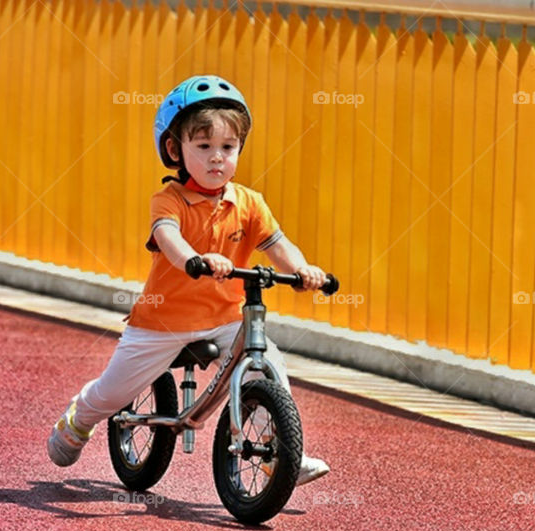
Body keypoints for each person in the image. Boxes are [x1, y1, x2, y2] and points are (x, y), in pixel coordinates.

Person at [46, 74, 330, 485]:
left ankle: (282, 455)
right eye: (204, 147)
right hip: (162, 322)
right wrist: (195, 258)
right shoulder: (169, 200)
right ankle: (78, 419)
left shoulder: (250, 203)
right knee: (112, 393)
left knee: (268, 370)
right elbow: (169, 238)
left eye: (228, 148)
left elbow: (278, 244)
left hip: (229, 315)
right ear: (175, 149)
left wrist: (303, 269)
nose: (218, 158)